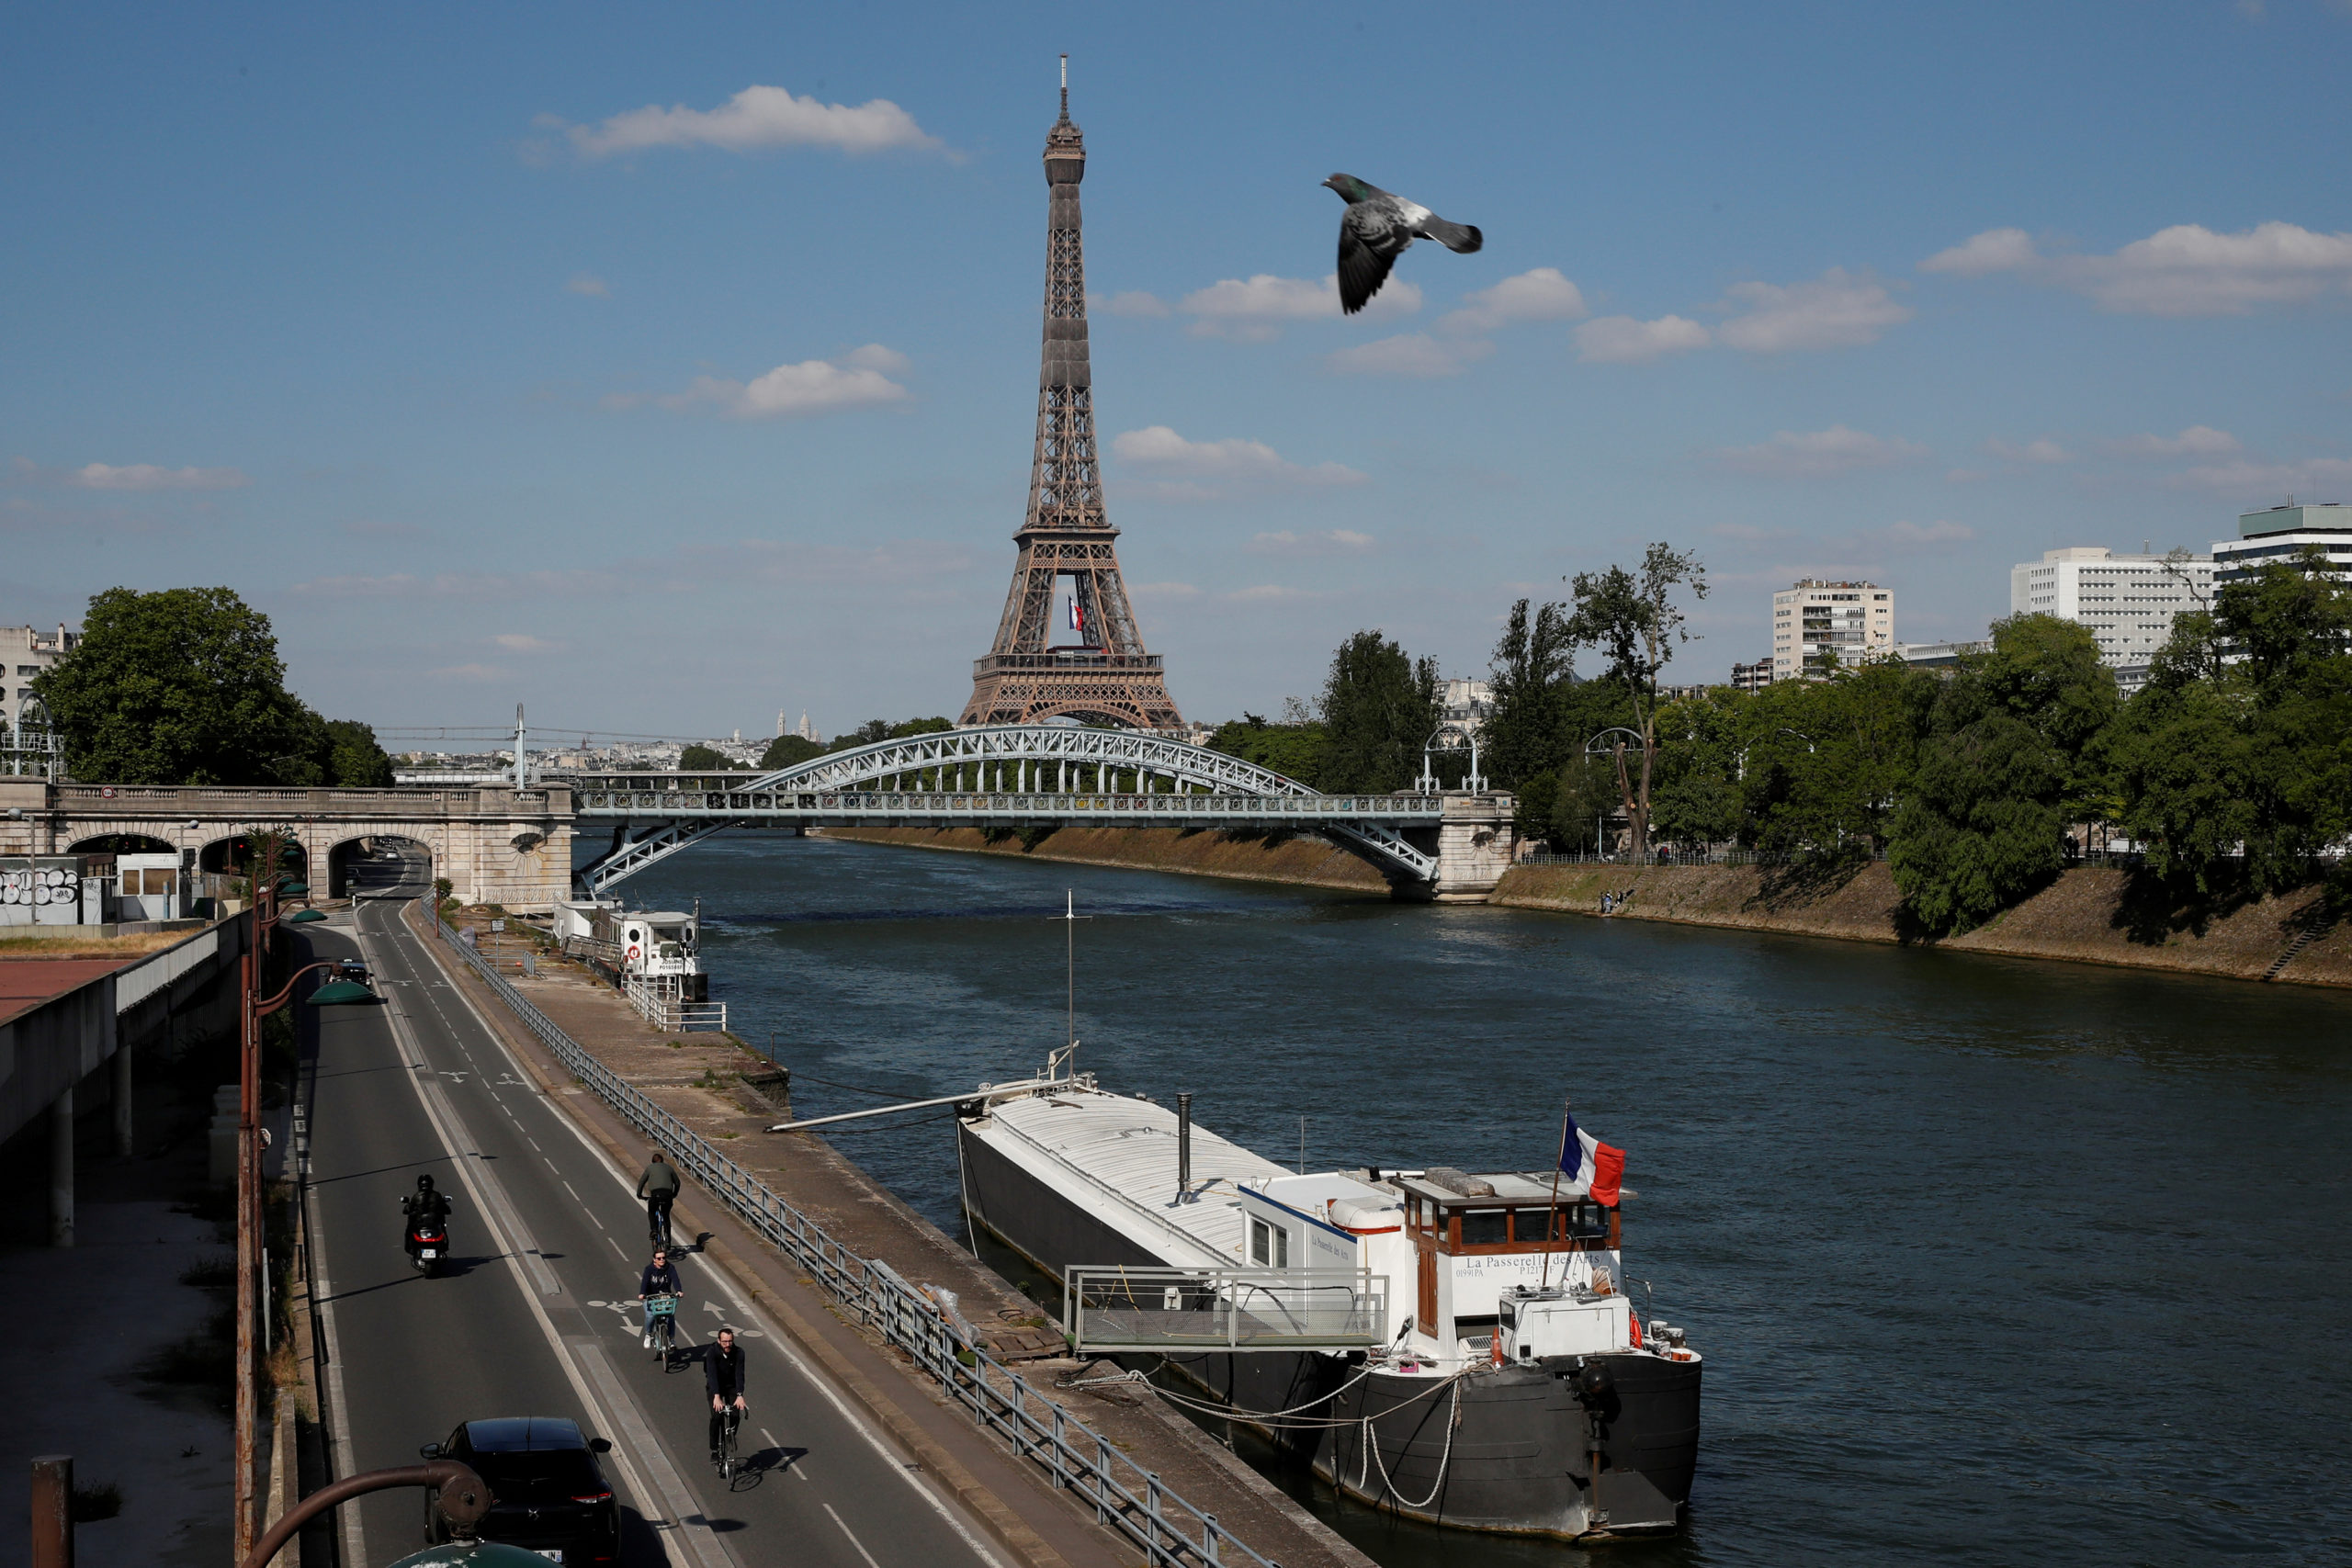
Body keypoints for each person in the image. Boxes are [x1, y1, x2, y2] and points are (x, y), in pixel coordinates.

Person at [705, 1325, 747, 1461]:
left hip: (731, 1386)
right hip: (716, 1386)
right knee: (716, 1416)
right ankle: (714, 1450)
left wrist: (740, 1395)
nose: (727, 1344)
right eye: (724, 1342)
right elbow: (711, 1374)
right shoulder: (712, 1352)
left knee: (735, 1414)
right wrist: (716, 1396)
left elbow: (739, 1374)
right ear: (719, 1341)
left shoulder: (739, 1353)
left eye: (730, 1341)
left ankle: (730, 1436)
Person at [638, 1246, 682, 1349]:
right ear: (654, 1260)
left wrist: (679, 1290)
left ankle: (671, 1339)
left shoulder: (670, 1268)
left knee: (670, 1316)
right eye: (659, 1258)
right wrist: (642, 1293)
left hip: (665, 1297)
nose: (662, 1260)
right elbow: (645, 1282)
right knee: (651, 1316)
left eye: (663, 1258)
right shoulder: (649, 1269)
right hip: (651, 1298)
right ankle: (648, 1334)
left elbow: (675, 1279)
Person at [401, 1173, 453, 1257]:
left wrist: (407, 1208)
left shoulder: (417, 1196)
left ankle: (410, 1248)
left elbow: (408, 1209)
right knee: (443, 1229)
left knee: (409, 1231)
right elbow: (446, 1209)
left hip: (421, 1223)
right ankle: (444, 1246)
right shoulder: (437, 1195)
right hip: (434, 1223)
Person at [637, 1152, 680, 1249]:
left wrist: (639, 1194)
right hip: (668, 1195)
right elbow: (677, 1183)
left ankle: (654, 1230)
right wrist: (674, 1194)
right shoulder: (669, 1168)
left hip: (655, 1194)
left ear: (653, 1162)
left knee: (652, 1211)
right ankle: (668, 1240)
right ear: (662, 1161)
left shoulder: (650, 1168)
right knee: (666, 1216)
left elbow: (641, 1182)